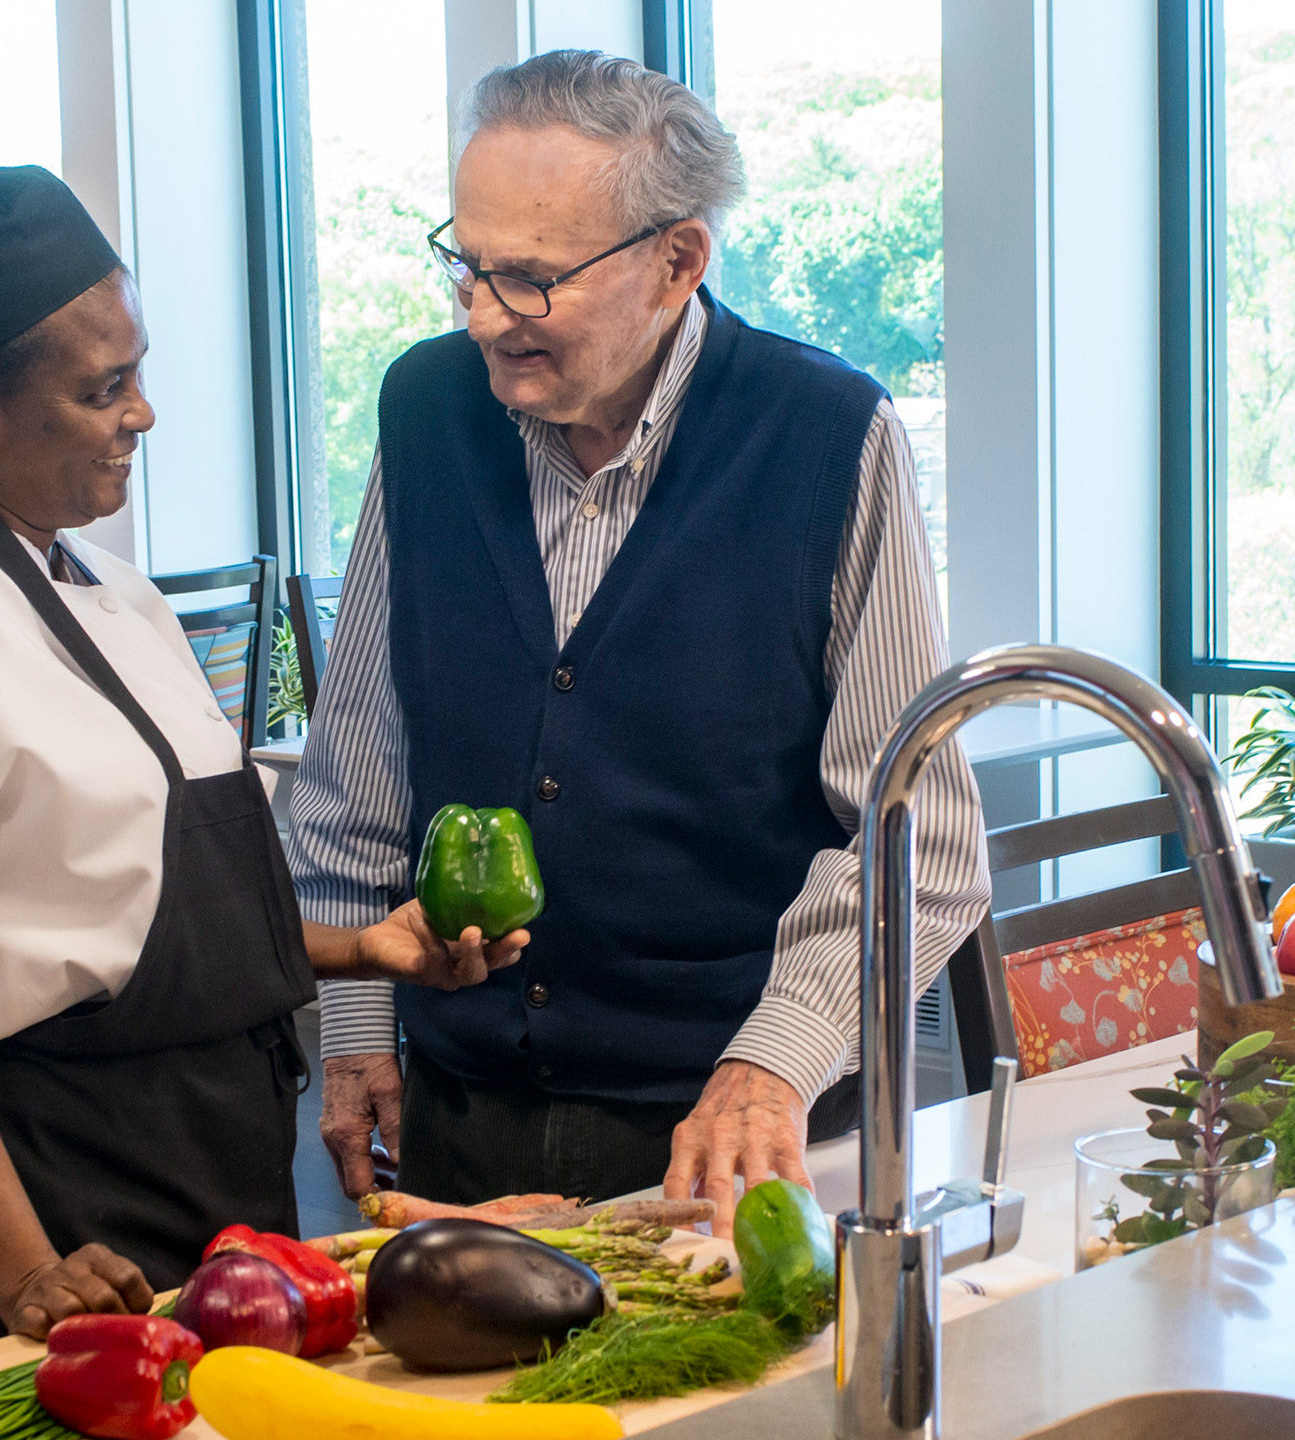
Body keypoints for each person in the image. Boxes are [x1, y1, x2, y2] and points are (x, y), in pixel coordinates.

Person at [0, 166, 527, 1371]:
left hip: (183, 1165)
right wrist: (23, 1269)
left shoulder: (116, 592)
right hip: (22, 1194)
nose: (143, 414)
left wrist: (361, 950)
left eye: (137, 370)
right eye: (102, 387)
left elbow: (134, 912)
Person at [292, 51, 989, 1217]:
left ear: (677, 261)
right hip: (462, 1119)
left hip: (727, 1140)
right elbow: (361, 761)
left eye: (529, 279)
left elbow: (919, 839)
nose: (483, 318)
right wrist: (360, 1032)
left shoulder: (826, 437)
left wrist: (773, 1060)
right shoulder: (426, 413)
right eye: (466, 268)